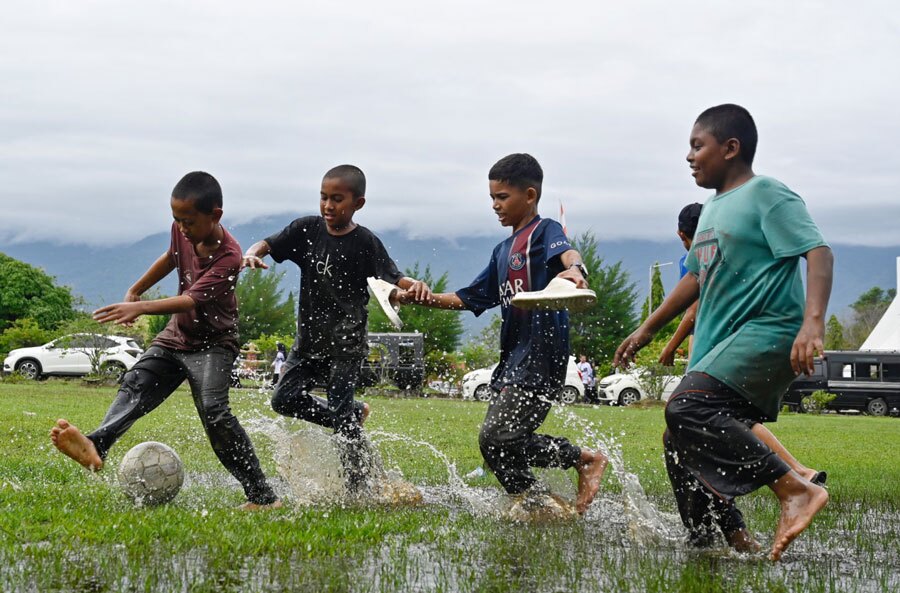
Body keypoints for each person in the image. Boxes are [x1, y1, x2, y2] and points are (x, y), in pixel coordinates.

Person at [614, 105, 831, 560]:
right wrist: (647, 330)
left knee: (687, 407)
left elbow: (818, 251)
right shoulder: (712, 207)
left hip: (770, 330)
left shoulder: (767, 194)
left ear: (730, 148)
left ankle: (796, 490)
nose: (690, 156)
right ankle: (720, 542)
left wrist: (813, 323)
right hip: (726, 342)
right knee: (679, 436)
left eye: (698, 145)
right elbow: (694, 278)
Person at [50, 171, 281, 510]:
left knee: (215, 414)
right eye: (177, 220)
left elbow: (190, 300)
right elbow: (172, 256)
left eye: (188, 221)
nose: (182, 228)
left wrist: (139, 306)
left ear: (215, 214)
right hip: (177, 336)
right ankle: (96, 446)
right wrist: (136, 289)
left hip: (214, 344)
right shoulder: (181, 230)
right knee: (136, 382)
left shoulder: (229, 257)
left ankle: (262, 497)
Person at [399, 153, 607, 514]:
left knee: (495, 438)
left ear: (529, 195)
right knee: (498, 445)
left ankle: (581, 461)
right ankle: (541, 506)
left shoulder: (544, 231)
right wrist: (422, 299)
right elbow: (470, 297)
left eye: (502, 197)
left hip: (542, 355)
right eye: (492, 198)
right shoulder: (501, 251)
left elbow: (569, 253)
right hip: (512, 360)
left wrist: (576, 270)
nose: (495, 205)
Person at [241, 164, 431, 492]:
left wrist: (415, 286)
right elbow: (268, 243)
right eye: (324, 197)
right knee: (283, 400)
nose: (328, 206)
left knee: (341, 415)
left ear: (358, 203)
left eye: (337, 199)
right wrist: (251, 254)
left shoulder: (365, 242)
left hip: (347, 342)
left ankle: (359, 488)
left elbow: (394, 277)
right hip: (309, 342)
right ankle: (355, 413)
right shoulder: (306, 230)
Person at [660, 203, 826, 487]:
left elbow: (693, 310)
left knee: (700, 410)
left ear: (682, 235)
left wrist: (669, 345)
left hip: (718, 344)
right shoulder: (734, 247)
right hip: (742, 338)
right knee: (719, 414)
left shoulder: (697, 257)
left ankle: (794, 480)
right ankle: (796, 473)